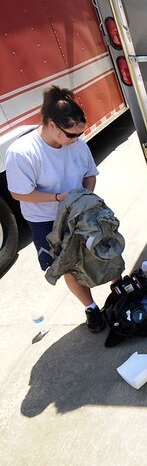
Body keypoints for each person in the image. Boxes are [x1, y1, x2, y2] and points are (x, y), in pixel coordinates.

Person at [5, 85, 105, 332]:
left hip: (80, 210)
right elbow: (18, 192)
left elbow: (90, 173)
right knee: (67, 265)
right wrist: (59, 198)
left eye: (79, 135)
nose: (75, 140)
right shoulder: (22, 153)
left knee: (104, 249)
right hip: (46, 221)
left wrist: (86, 196)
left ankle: (122, 290)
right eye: (70, 135)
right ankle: (92, 309)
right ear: (51, 125)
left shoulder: (77, 144)